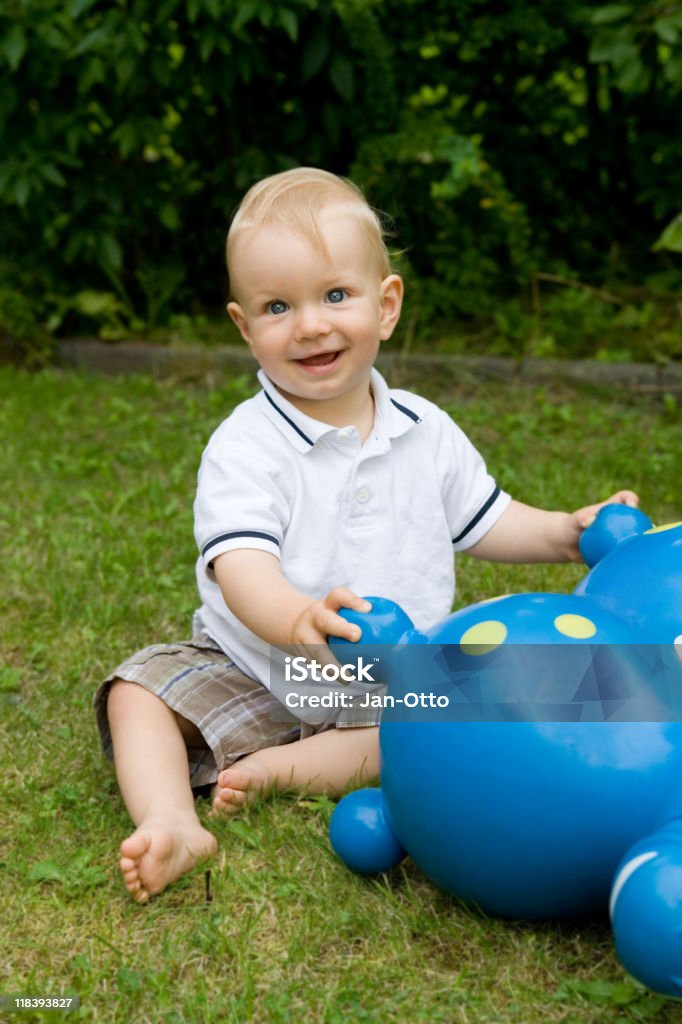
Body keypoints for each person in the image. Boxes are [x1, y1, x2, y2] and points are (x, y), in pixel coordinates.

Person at [95, 167, 638, 903]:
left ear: (386, 306)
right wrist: (296, 620)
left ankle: (278, 770)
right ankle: (171, 819)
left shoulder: (425, 429)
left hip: (393, 675)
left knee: (433, 729)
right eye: (278, 306)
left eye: (335, 296)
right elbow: (240, 563)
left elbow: (486, 518)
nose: (311, 324)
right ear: (243, 326)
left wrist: (565, 535)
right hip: (259, 663)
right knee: (137, 692)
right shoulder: (248, 444)